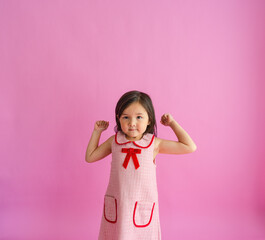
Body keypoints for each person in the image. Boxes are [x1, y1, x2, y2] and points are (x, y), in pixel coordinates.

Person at [85, 90, 197, 240]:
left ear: (149, 120)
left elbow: (189, 146)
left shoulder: (153, 144)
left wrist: (172, 124)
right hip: (118, 204)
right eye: (126, 117)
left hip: (142, 207)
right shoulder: (114, 141)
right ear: (118, 119)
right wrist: (97, 132)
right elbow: (90, 157)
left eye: (139, 117)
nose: (132, 123)